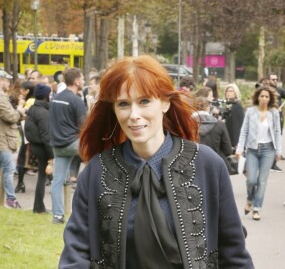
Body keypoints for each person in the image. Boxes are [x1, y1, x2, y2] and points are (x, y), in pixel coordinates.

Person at [59, 55, 254, 268]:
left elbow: (234, 254)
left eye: (144, 101)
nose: (134, 114)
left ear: (164, 102)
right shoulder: (96, 172)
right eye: (123, 104)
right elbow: (75, 255)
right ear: (114, 110)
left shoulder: (207, 165)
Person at [235, 86, 282, 221]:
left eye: (267, 97)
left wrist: (278, 151)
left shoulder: (274, 113)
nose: (264, 99)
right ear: (257, 97)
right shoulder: (250, 112)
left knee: (262, 181)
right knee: (251, 180)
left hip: (268, 150)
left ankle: (256, 208)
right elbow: (244, 131)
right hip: (252, 150)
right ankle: (250, 199)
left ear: (270, 99)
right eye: (262, 96)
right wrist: (239, 149)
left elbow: (278, 133)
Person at [49, 68, 86, 224]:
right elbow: (84, 125)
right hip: (73, 143)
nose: (84, 81)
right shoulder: (76, 100)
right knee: (101, 164)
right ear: (76, 81)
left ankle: (57, 215)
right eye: (83, 78)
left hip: (57, 144)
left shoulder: (56, 98)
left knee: (57, 181)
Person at [0, 70, 25, 208]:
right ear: (0, 80)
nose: (9, 83)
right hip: (0, 139)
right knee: (9, 168)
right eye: (7, 80)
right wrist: (19, 112)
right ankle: (11, 199)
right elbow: (10, 117)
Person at [24, 83, 54, 213]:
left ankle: (39, 206)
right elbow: (46, 136)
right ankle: (39, 207)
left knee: (44, 176)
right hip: (42, 147)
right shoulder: (43, 112)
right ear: (46, 96)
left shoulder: (32, 109)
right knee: (42, 176)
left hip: (35, 145)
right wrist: (51, 156)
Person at [193, 97, 234, 174]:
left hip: (194, 166)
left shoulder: (186, 125)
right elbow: (228, 151)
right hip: (216, 166)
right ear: (208, 108)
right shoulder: (219, 124)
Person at [268, 72, 285, 171]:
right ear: (269, 80)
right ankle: (271, 163)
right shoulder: (266, 91)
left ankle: (276, 157)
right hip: (269, 117)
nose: (275, 81)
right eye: (273, 79)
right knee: (271, 138)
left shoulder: (279, 90)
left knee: (278, 135)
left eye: (276, 79)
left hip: (279, 116)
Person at [224, 84, 245, 151]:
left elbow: (237, 125)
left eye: (231, 91)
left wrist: (237, 143)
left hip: (233, 140)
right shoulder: (227, 104)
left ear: (235, 93)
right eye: (227, 91)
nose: (228, 93)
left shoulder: (236, 106)